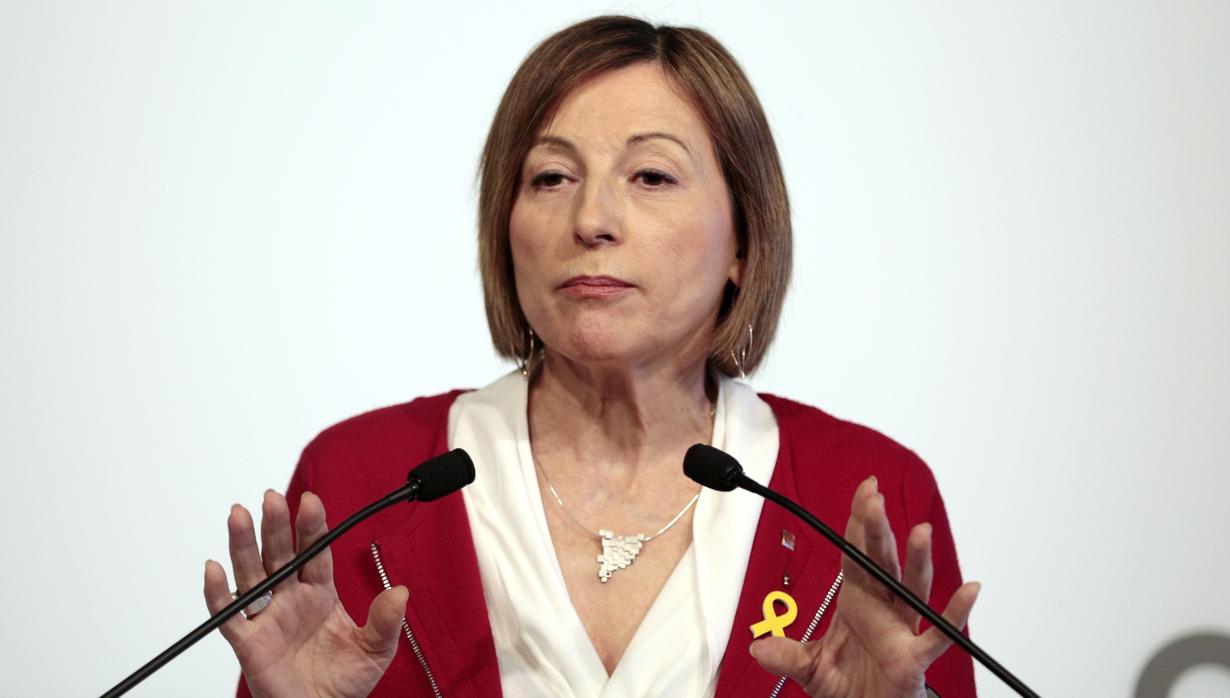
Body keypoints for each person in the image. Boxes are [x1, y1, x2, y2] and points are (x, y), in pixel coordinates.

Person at [203, 15, 980, 698]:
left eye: (651, 176)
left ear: (743, 240)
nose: (592, 218)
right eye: (551, 177)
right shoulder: (360, 480)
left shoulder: (870, 497)